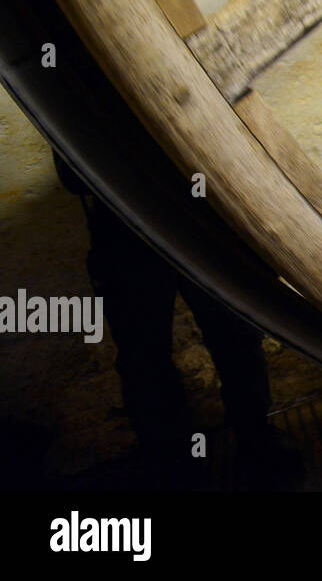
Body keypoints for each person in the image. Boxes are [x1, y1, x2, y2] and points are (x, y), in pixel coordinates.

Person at [53, 152, 303, 489]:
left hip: (197, 224)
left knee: (236, 339)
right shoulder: (79, 100)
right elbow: (72, 176)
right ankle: (177, 466)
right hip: (129, 231)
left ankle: (255, 444)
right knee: (146, 360)